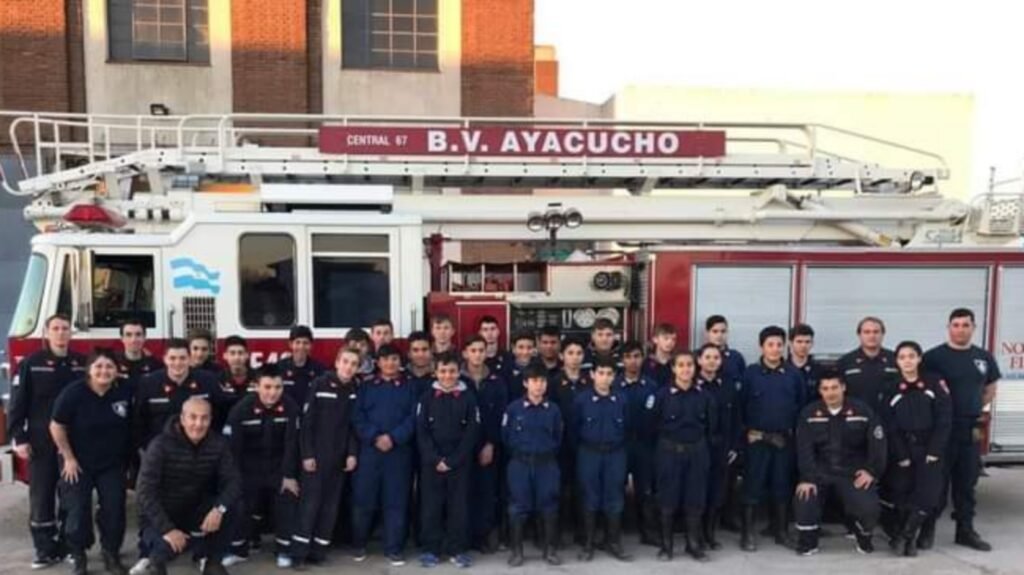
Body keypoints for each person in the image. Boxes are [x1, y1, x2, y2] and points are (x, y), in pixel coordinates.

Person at [130, 339, 220, 575]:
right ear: (165, 359)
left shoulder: (207, 382)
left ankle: (201, 553)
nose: (178, 363)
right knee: (149, 502)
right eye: (173, 358)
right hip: (158, 457)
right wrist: (144, 451)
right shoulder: (149, 384)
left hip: (197, 455)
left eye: (183, 358)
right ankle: (147, 554)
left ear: (190, 359)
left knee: (196, 502)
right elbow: (138, 421)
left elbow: (218, 414)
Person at [7, 313, 87, 569]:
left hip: (72, 443)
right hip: (40, 442)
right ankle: (44, 550)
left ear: (71, 333)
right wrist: (19, 437)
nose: (61, 333)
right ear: (47, 332)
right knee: (41, 496)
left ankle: (69, 547)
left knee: (71, 495)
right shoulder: (32, 363)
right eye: (56, 328)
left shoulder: (81, 364)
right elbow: (17, 404)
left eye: (65, 328)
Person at [921, 308, 1000, 551]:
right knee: (937, 482)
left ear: (973, 328)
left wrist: (974, 407)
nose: (960, 329)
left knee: (967, 483)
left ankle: (965, 531)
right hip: (943, 428)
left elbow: (990, 387)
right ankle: (927, 530)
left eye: (966, 325)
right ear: (949, 327)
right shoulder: (934, 357)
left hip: (970, 428)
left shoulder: (983, 357)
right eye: (956, 325)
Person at [136, 397, 241, 575]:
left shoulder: (219, 444)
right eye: (193, 417)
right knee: (166, 548)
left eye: (204, 418)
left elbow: (233, 481)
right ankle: (155, 562)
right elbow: (145, 492)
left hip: (195, 510)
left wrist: (219, 509)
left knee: (234, 506)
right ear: (182, 419)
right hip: (162, 513)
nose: (198, 424)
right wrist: (167, 529)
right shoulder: (159, 446)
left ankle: (212, 561)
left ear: (211, 419)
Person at [50, 349, 133, 575]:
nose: (104, 371)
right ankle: (79, 556)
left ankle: (111, 553)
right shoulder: (74, 393)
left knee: (114, 509)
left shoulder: (125, 390)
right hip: (77, 463)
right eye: (99, 366)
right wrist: (68, 457)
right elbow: (56, 425)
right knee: (76, 511)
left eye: (109, 366)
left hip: (112, 464)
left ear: (117, 371)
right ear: (89, 370)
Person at [793, 368, 887, 556]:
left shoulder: (862, 410)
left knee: (868, 507)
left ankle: (863, 535)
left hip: (852, 471)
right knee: (804, 497)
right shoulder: (810, 413)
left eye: (835, 387)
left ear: (843, 387)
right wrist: (807, 477)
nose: (830, 392)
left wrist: (871, 470)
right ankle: (808, 541)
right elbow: (804, 449)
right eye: (825, 388)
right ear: (820, 391)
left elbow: (878, 443)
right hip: (820, 471)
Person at [221, 365, 300, 568]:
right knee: (239, 504)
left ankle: (284, 550)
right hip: (248, 469)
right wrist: (234, 480)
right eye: (267, 387)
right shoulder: (241, 410)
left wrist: (289, 475)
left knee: (287, 500)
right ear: (257, 386)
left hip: (278, 468)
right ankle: (238, 550)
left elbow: (292, 444)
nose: (272, 392)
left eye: (277, 387)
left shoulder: (290, 407)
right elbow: (232, 450)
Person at [291, 347, 360, 569]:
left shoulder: (354, 389)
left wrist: (351, 453)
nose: (349, 367)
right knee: (309, 506)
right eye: (346, 362)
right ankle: (298, 554)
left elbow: (352, 427)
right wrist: (307, 454)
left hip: (339, 459)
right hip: (317, 458)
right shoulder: (319, 384)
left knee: (330, 507)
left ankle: (318, 552)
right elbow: (307, 423)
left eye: (354, 364)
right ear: (337, 362)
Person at [739, 325, 806, 551]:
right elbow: (740, 408)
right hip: (757, 441)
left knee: (782, 486)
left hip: (784, 442)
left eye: (779, 344)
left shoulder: (794, 375)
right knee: (752, 486)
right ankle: (747, 533)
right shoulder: (750, 374)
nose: (775, 349)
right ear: (761, 347)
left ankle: (781, 531)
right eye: (770, 345)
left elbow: (801, 407)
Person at [882, 341, 952, 557]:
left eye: (912, 356)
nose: (907, 361)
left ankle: (907, 535)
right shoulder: (891, 387)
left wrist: (935, 450)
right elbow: (889, 424)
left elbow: (944, 419)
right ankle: (903, 537)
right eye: (902, 357)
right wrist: (901, 454)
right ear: (897, 361)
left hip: (930, 447)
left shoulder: (934, 383)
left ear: (920, 358)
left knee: (929, 495)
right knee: (903, 492)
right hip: (903, 448)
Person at [351, 345, 417, 565]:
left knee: (396, 502)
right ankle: (359, 544)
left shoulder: (410, 387)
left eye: (395, 359)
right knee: (364, 500)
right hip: (370, 452)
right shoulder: (367, 387)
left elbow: (414, 418)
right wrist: (375, 436)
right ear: (377, 362)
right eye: (386, 359)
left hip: (399, 453)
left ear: (400, 361)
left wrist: (394, 438)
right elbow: (357, 417)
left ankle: (394, 549)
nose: (390, 363)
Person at [416, 353, 480, 568]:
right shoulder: (427, 397)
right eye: (443, 371)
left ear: (458, 372)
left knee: (458, 507)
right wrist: (435, 459)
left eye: (452, 371)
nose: (447, 375)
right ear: (435, 372)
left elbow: (472, 432)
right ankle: (431, 549)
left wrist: (453, 460)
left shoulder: (468, 397)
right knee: (431, 507)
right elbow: (421, 432)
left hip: (459, 462)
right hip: (431, 463)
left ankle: (457, 549)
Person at [653, 352, 716, 562]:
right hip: (669, 453)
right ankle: (666, 546)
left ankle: (693, 544)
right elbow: (650, 426)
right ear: (673, 368)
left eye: (689, 365)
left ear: (695, 367)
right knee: (667, 500)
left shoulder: (705, 396)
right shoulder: (661, 395)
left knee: (695, 500)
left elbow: (712, 428)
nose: (686, 369)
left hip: (697, 453)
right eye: (680, 365)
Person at [503, 363, 564, 567]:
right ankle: (517, 551)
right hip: (520, 463)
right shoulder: (513, 409)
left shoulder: (553, 409)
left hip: (546, 463)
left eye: (542, 381)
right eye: (534, 381)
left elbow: (558, 436)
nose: (539, 386)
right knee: (517, 507)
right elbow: (506, 436)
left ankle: (550, 549)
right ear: (525, 383)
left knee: (549, 506)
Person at [572, 358, 632, 562]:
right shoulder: (582, 400)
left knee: (614, 497)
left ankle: (613, 541)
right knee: (589, 496)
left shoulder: (622, 399)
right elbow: (573, 429)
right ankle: (588, 543)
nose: (605, 378)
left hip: (615, 453)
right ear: (592, 375)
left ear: (614, 377)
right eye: (601, 373)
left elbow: (628, 429)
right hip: (589, 453)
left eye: (609, 374)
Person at [460, 336, 508, 554]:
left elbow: (500, 415)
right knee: (464, 491)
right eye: (474, 350)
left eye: (482, 350)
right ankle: (465, 536)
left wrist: (490, 443)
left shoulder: (497, 381)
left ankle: (484, 535)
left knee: (487, 492)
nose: (478, 354)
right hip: (462, 447)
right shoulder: (456, 380)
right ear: (465, 353)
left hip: (488, 446)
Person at [696, 343, 740, 551]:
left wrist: (734, 446)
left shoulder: (728, 386)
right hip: (697, 447)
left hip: (722, 447)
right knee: (698, 492)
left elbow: (736, 418)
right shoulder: (693, 385)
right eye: (708, 357)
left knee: (716, 492)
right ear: (699, 360)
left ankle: (709, 534)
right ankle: (695, 535)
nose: (712, 361)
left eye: (716, 357)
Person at [614, 341, 659, 547]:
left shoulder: (651, 386)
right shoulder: (613, 385)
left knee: (646, 490)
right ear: (622, 360)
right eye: (629, 357)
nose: (633, 361)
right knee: (616, 488)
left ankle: (648, 531)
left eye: (637, 356)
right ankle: (616, 532)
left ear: (643, 358)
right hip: (620, 446)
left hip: (644, 445)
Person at [550, 337, 592, 545]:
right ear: (561, 356)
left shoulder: (590, 381)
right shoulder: (553, 382)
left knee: (582, 488)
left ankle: (582, 533)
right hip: (560, 445)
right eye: (570, 353)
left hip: (585, 444)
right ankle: (556, 534)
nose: (575, 358)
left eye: (579, 353)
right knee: (558, 489)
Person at [837, 317, 899, 419]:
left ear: (882, 334)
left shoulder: (895, 360)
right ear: (859, 335)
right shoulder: (845, 362)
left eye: (876, 332)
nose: (872, 336)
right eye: (867, 332)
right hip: (856, 418)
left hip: (889, 418)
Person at [275, 325, 325, 405]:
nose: (301, 347)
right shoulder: (279, 368)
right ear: (290, 344)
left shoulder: (319, 370)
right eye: (297, 342)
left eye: (305, 343)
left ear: (311, 345)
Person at [115, 319, 163, 391]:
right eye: (128, 335)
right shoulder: (113, 364)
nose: (134, 340)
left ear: (144, 338)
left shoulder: (156, 366)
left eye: (138, 334)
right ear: (122, 338)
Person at [704, 315, 746, 385]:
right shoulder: (698, 356)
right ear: (707, 333)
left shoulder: (736, 357)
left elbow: (743, 383)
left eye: (723, 331)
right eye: (715, 331)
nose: (719, 335)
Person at [787, 324, 822, 405]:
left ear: (812, 344)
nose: (803, 346)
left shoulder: (819, 371)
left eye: (807, 342)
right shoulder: (782, 370)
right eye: (799, 342)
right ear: (790, 343)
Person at [505, 331, 537, 400]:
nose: (525, 352)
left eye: (529, 348)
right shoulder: (505, 372)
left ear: (534, 349)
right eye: (521, 347)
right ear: (513, 348)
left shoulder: (540, 370)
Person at [404, 332, 435, 401]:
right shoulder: (401, 377)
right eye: (415, 350)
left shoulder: (440, 377)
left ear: (431, 351)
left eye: (424, 349)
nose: (420, 354)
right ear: (409, 354)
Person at [643, 323, 677, 388]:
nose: (670, 342)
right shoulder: (645, 363)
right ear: (655, 339)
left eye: (673, 339)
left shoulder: (676, 362)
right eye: (666, 338)